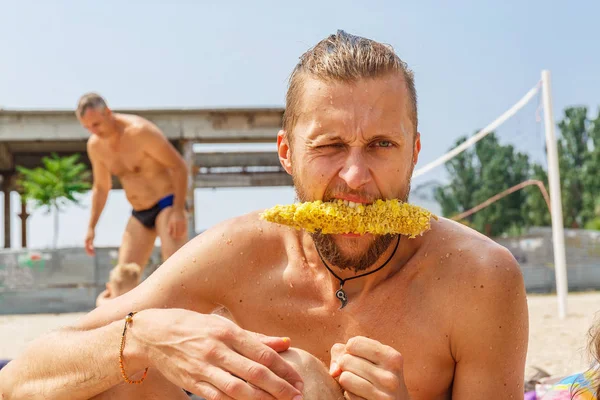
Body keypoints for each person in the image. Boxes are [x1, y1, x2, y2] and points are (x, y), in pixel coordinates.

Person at [0, 30, 529, 399]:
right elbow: (19, 380)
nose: (354, 178)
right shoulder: (237, 252)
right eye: (330, 145)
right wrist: (140, 336)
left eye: (381, 145)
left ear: (414, 151)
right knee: (119, 377)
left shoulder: (479, 278)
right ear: (286, 153)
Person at [75, 93, 190, 304]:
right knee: (122, 280)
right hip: (139, 211)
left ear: (108, 113)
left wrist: (178, 210)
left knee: (176, 273)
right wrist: (92, 227)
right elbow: (101, 187)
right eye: (87, 127)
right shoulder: (96, 146)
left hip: (167, 204)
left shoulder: (140, 132)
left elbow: (179, 167)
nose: (93, 131)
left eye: (96, 124)